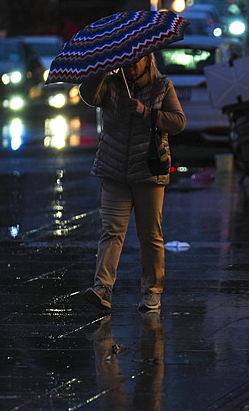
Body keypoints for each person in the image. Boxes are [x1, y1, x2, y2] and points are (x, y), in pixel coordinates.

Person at [78, 53, 186, 311]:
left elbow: (178, 122)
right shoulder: (112, 85)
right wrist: (103, 70)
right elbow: (89, 97)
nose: (131, 65)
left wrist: (146, 112)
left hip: (148, 170)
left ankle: (152, 291)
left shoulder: (162, 86)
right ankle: (103, 287)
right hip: (113, 168)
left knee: (150, 235)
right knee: (111, 231)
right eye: (126, 61)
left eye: (137, 60)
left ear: (148, 60)